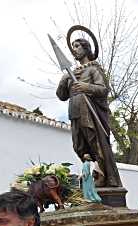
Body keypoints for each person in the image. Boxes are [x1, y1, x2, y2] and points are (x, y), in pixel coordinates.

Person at [55, 38, 122, 187]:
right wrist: (64, 79)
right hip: (74, 110)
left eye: (77, 46)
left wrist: (86, 86)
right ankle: (89, 173)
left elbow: (103, 90)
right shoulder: (70, 74)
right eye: (73, 47)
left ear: (86, 49)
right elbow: (61, 96)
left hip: (89, 110)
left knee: (94, 142)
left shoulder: (93, 69)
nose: (75, 49)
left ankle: (102, 174)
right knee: (78, 145)